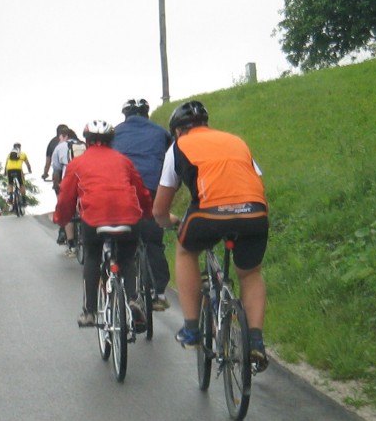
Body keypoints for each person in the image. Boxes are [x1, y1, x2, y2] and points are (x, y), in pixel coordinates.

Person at [152, 100, 270, 371]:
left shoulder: (177, 147)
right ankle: (255, 342)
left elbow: (160, 208)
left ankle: (192, 329)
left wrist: (166, 221)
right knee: (250, 274)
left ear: (178, 131)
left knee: (185, 251)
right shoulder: (236, 142)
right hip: (254, 212)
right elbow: (258, 184)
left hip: (209, 214)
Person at [53, 120, 153, 329]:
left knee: (92, 257)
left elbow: (65, 198)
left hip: (94, 219)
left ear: (87, 141)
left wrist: (61, 219)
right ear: (111, 140)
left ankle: (89, 312)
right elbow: (141, 190)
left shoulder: (77, 164)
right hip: (128, 218)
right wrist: (148, 212)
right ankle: (134, 299)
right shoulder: (124, 161)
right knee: (126, 258)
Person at [112, 98, 174, 310]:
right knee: (153, 241)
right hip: (150, 188)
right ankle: (159, 293)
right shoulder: (160, 132)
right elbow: (169, 158)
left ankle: (119, 287)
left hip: (122, 190)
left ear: (126, 115)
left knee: (122, 241)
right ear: (146, 114)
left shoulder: (115, 132)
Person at [4, 142, 32, 209]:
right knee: (22, 184)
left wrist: (5, 172)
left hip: (9, 169)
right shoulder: (23, 154)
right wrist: (29, 170)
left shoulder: (9, 154)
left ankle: (11, 197)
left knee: (10, 183)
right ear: (20, 147)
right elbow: (27, 164)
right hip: (18, 170)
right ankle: (24, 200)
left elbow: (6, 164)